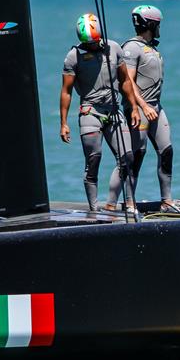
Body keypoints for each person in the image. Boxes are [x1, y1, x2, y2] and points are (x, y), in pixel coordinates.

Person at [59, 13, 141, 212]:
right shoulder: (73, 57)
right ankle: (94, 209)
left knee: (127, 157)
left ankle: (129, 203)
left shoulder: (114, 48)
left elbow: (125, 81)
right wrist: (64, 123)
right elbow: (66, 91)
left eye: (95, 42)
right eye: (89, 44)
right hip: (90, 113)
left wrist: (134, 108)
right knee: (93, 160)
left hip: (114, 111)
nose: (93, 46)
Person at [108, 4, 180, 213]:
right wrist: (142, 106)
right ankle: (127, 202)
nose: (159, 28)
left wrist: (152, 106)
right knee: (136, 155)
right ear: (150, 24)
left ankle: (167, 200)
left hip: (156, 107)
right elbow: (127, 82)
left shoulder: (151, 47)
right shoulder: (131, 48)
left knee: (166, 151)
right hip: (138, 109)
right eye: (157, 25)